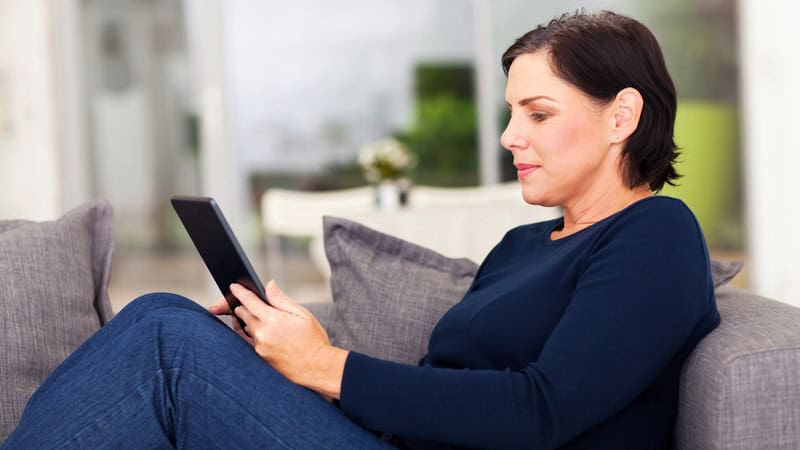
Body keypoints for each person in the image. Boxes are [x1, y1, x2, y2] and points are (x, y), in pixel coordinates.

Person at [3, 10, 720, 450]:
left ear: (621, 117)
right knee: (169, 315)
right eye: (510, 114)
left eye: (537, 114)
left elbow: (542, 410)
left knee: (167, 345)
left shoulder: (655, 234)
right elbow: (441, 398)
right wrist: (287, 358)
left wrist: (325, 366)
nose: (509, 136)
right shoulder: (521, 246)